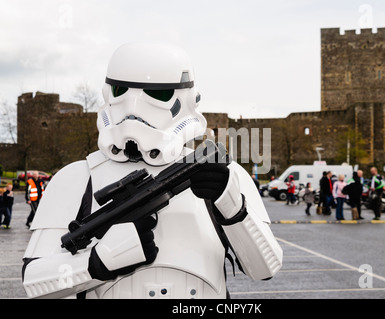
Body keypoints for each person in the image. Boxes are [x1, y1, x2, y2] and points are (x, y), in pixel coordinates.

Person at [21, 43, 283, 299]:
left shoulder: (223, 175)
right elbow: (33, 281)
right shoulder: (78, 178)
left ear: (187, 98)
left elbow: (264, 269)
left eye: (157, 94)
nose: (134, 108)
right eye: (121, 90)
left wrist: (232, 205)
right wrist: (95, 264)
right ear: (108, 93)